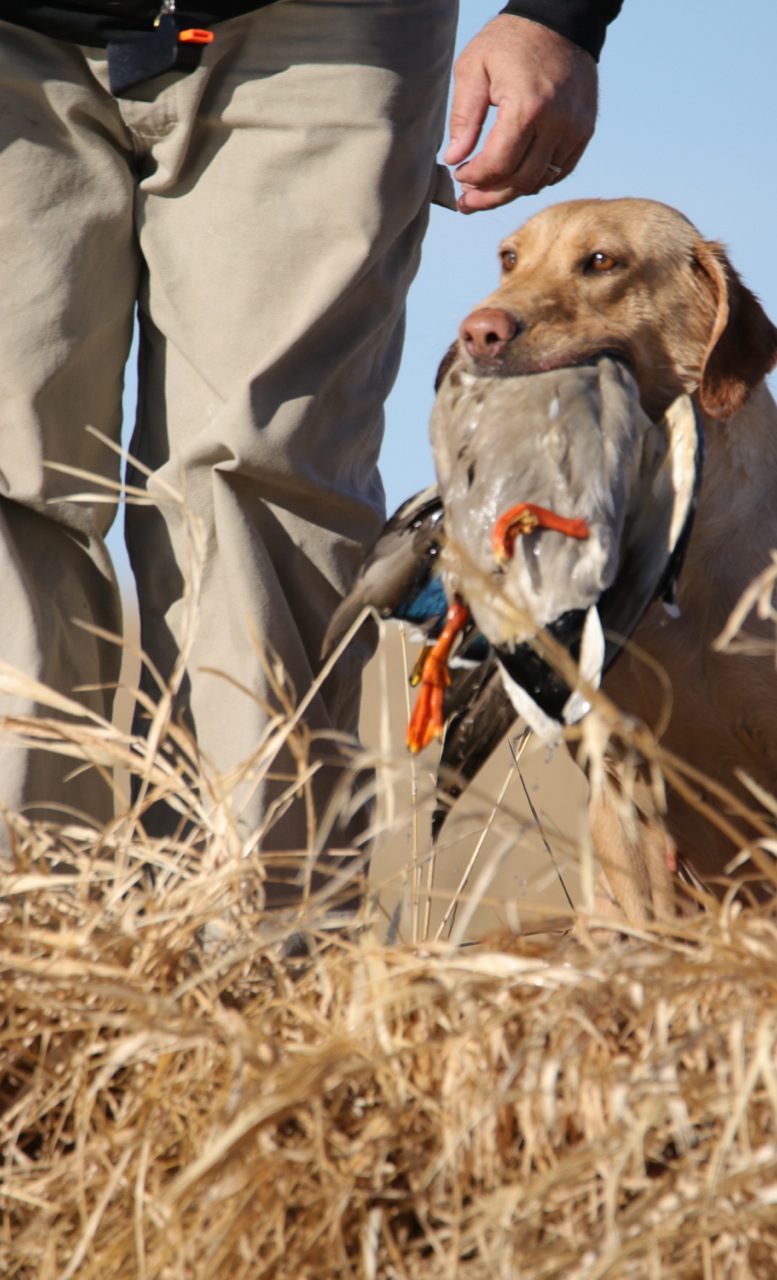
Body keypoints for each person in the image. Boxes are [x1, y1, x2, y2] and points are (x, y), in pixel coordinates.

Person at [0, 0, 622, 901]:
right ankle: (32, 961)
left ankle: (250, 975)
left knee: (264, 494)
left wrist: (556, 13)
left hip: (332, 26)